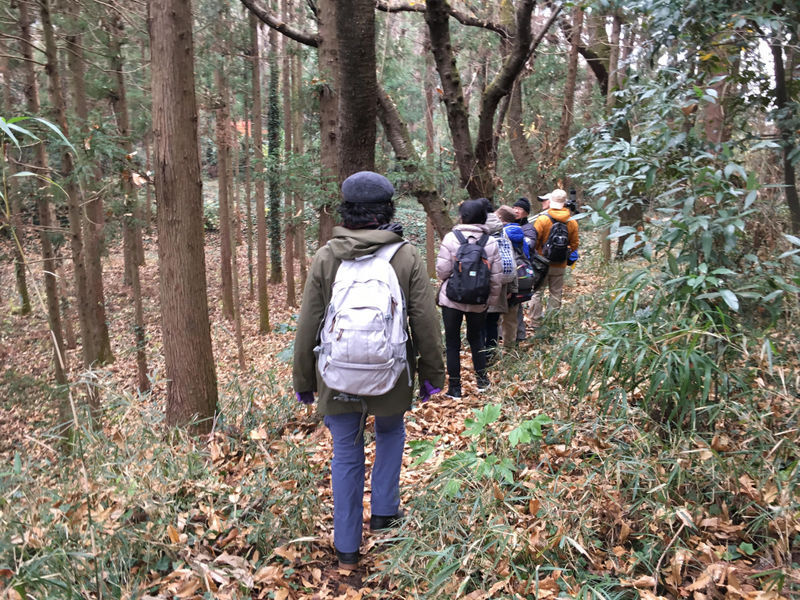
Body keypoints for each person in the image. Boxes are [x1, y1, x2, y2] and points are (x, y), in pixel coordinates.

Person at [292, 171, 445, 571]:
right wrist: (433, 374)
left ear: (345, 210)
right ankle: (384, 515)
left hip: (336, 373)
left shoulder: (327, 256)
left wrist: (304, 379)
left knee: (345, 451)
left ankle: (346, 545)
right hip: (391, 371)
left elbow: (309, 322)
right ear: (387, 210)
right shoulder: (405, 255)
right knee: (391, 433)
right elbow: (425, 320)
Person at [436, 198, 503, 399]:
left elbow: (442, 271)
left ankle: (455, 388)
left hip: (452, 299)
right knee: (476, 340)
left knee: (452, 342)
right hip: (479, 300)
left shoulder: (451, 238)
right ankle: (482, 382)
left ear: (462, 217)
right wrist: (490, 301)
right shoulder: (490, 242)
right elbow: (496, 277)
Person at [528, 189, 579, 330]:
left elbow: (534, 240)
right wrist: (565, 253)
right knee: (555, 293)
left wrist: (538, 254)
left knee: (537, 292)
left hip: (542, 263)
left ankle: (535, 322)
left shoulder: (543, 219)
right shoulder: (572, 222)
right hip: (560, 264)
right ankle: (551, 322)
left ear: (551, 201)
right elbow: (575, 244)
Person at [483, 205, 518, 360]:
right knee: (492, 322)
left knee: (478, 323)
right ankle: (490, 355)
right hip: (501, 286)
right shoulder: (502, 233)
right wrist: (513, 288)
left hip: (479, 285)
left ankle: (480, 356)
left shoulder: (478, 232)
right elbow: (512, 261)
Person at [511, 197, 537, 341]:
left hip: (521, 271)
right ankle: (511, 335)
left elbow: (530, 245)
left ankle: (519, 335)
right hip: (511, 270)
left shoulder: (528, 229)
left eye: (519, 209)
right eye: (514, 208)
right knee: (513, 304)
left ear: (526, 212)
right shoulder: (508, 226)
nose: (516, 211)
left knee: (515, 303)